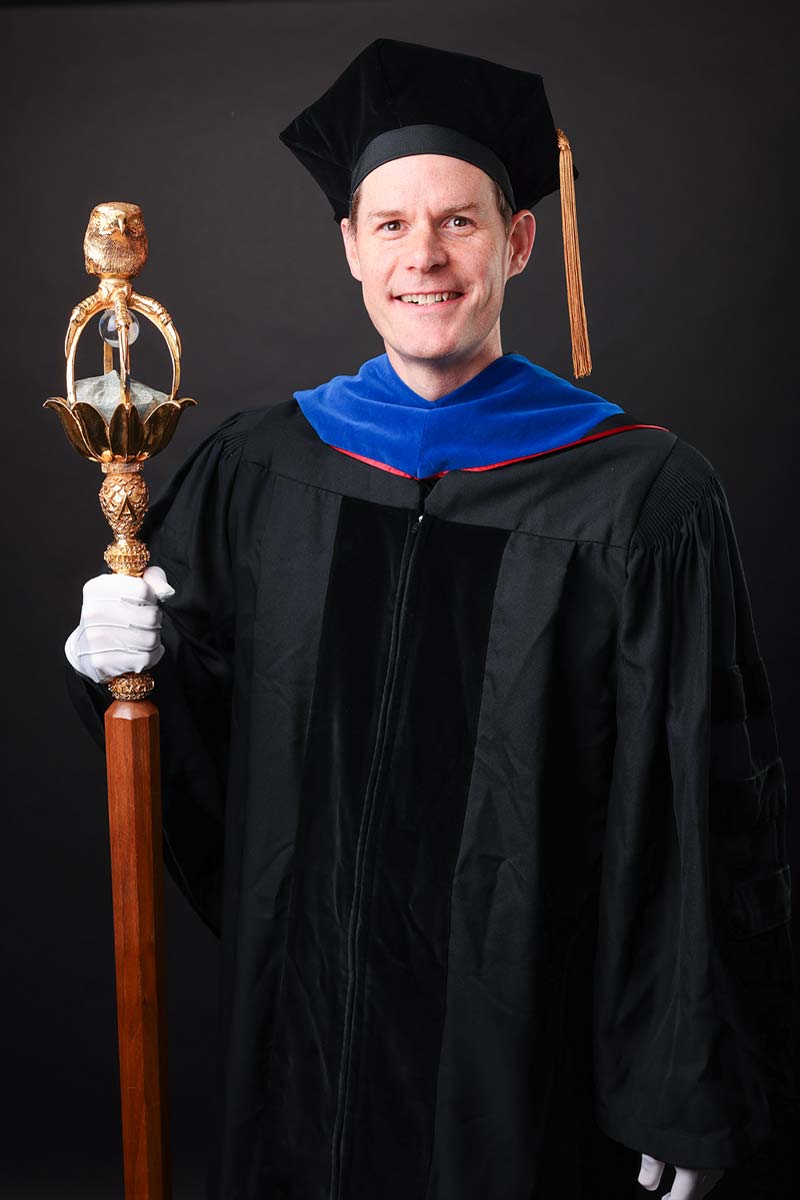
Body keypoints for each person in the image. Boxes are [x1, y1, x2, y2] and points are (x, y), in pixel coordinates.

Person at [64, 38, 793, 1200]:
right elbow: (190, 732)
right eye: (391, 225)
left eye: (457, 223)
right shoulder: (266, 465)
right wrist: (108, 660)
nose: (425, 258)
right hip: (304, 1046)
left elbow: (698, 807)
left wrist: (682, 1081)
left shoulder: (639, 496)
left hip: (522, 1066)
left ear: (515, 243)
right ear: (350, 246)